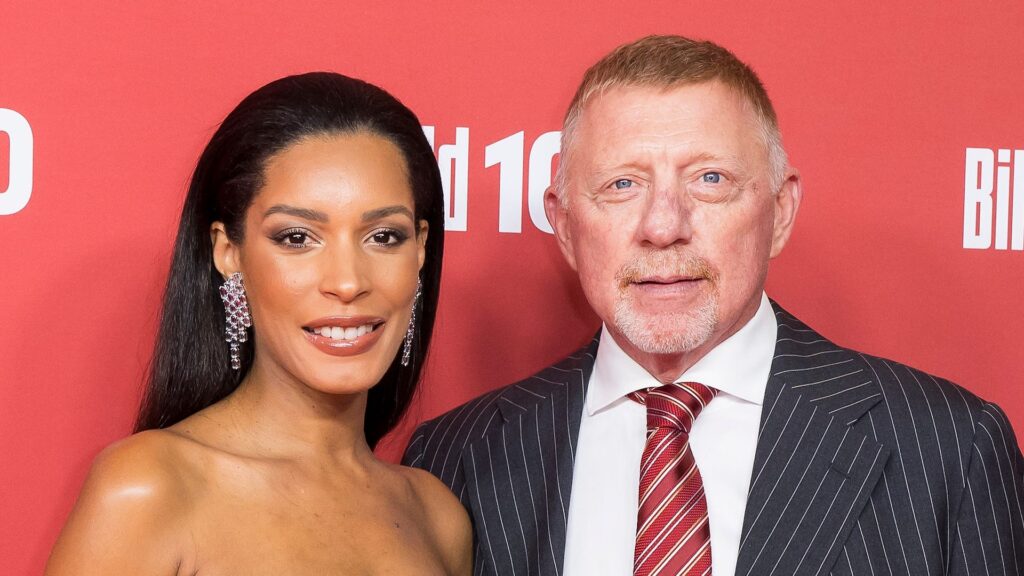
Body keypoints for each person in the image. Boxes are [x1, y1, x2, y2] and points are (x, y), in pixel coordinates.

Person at [403, 36, 1024, 576]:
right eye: (622, 184)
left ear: (779, 211)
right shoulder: (457, 458)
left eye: (710, 180)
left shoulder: (951, 448)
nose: (663, 226)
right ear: (564, 225)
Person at [47, 72, 471, 575]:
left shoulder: (437, 517)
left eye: (383, 236)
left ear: (420, 248)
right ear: (229, 252)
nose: (347, 281)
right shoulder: (150, 489)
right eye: (297, 237)